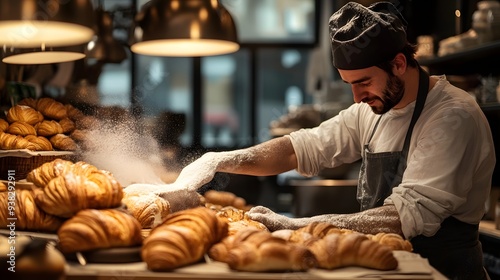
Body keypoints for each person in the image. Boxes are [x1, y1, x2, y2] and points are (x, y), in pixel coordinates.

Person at [173, 2, 495, 279]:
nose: (356, 98)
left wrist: (295, 225)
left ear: (399, 64)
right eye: (349, 85)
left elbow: (401, 217)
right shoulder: (369, 110)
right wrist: (219, 159)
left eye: (364, 82)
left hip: (443, 273)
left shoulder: (453, 117)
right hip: (389, 268)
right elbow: (301, 148)